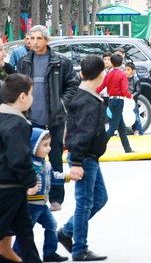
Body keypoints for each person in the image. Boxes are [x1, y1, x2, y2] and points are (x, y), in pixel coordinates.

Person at [16, 25, 79, 212]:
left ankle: (56, 198)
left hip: (54, 119)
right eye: (31, 38)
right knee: (31, 159)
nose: (34, 42)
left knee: (56, 158)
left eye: (38, 38)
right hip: (31, 119)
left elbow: (72, 85)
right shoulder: (24, 62)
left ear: (47, 40)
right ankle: (33, 195)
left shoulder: (60, 62)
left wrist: (61, 102)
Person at [58, 55, 111, 261]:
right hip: (84, 158)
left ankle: (66, 232)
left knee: (99, 198)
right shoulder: (86, 100)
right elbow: (80, 134)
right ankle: (79, 249)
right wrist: (77, 162)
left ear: (81, 74)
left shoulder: (88, 97)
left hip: (90, 158)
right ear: (101, 74)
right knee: (84, 203)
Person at [0, 74, 41, 263]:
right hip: (9, 186)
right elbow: (18, 158)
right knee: (19, 232)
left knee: (25, 231)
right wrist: (31, 180)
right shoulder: (17, 123)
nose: (33, 98)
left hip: (10, 186)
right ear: (23, 97)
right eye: (31, 93)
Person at [23, 129, 69, 262]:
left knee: (51, 225)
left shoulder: (46, 164)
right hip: (31, 205)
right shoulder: (28, 165)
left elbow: (53, 177)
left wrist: (68, 177)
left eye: (49, 144)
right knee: (25, 232)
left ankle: (49, 253)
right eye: (45, 145)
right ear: (33, 146)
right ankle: (17, 254)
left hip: (42, 205)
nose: (49, 148)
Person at [95, 54, 133, 154]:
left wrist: (93, 92)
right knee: (113, 127)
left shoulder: (109, 74)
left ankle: (127, 148)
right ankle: (99, 145)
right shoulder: (122, 75)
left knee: (121, 126)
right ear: (122, 63)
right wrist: (130, 96)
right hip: (119, 101)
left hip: (111, 100)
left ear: (111, 63)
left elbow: (101, 87)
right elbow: (125, 90)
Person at [123, 63, 143, 135]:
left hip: (132, 101)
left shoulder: (136, 79)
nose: (126, 71)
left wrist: (132, 95)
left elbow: (138, 91)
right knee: (124, 116)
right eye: (125, 69)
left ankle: (137, 130)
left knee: (135, 116)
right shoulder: (123, 78)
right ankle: (122, 131)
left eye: (128, 70)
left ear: (133, 70)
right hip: (125, 100)